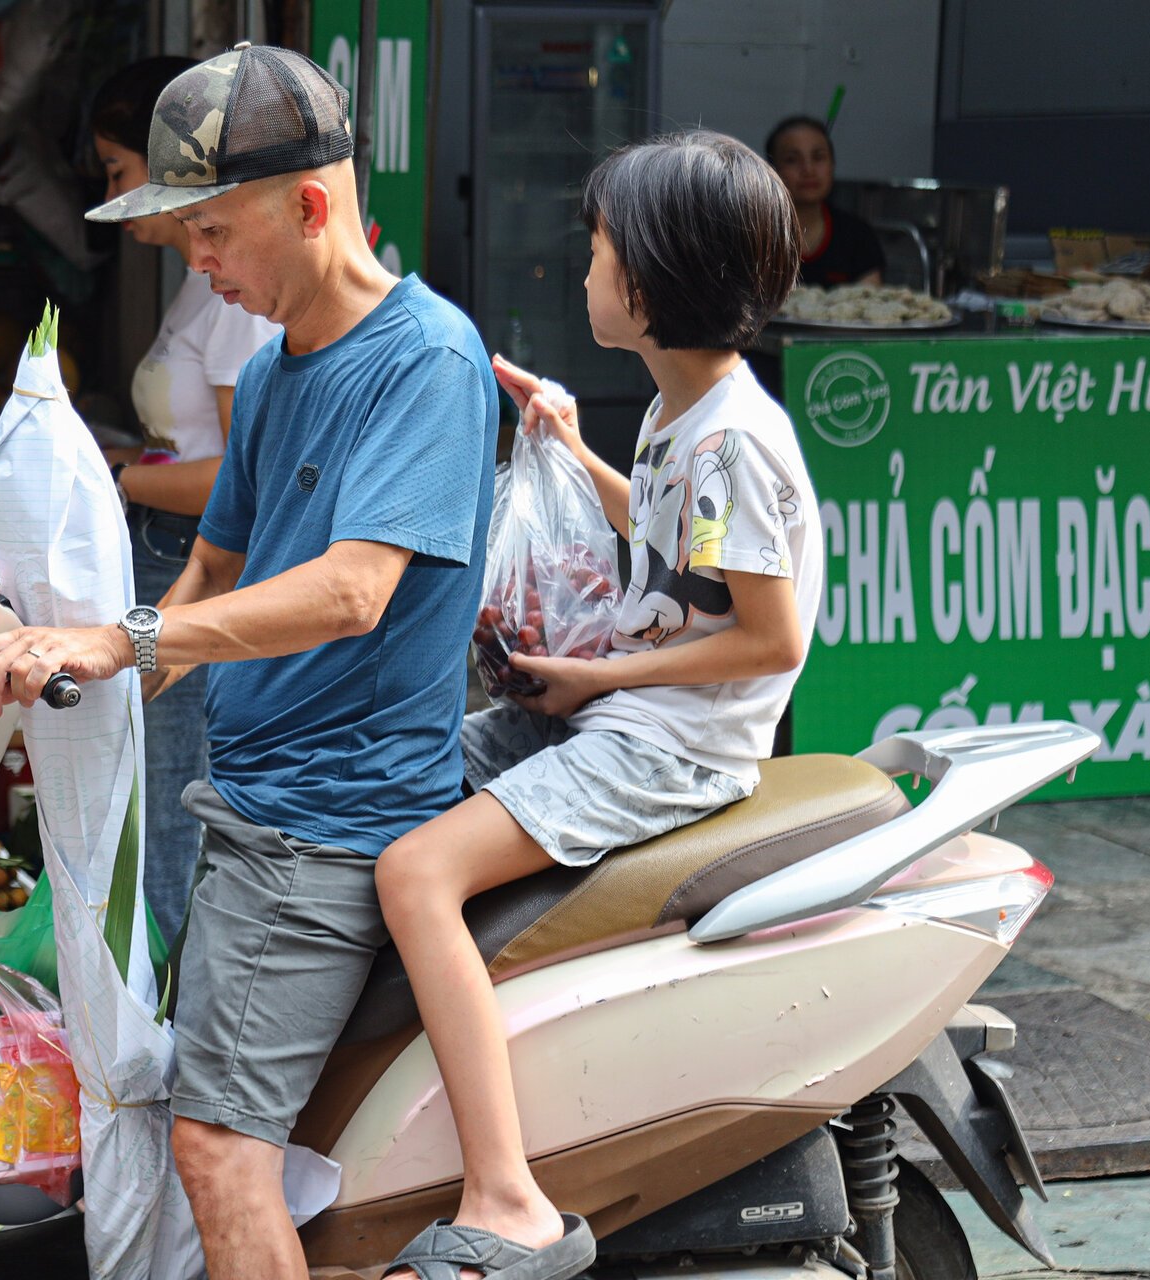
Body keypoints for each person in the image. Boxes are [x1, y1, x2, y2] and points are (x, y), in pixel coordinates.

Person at [0, 44, 500, 1280]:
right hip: (247, 801)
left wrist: (128, 636)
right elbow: (211, 572)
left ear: (310, 207)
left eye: (210, 232)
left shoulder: (426, 360)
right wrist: (69, 668)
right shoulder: (269, 376)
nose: (195, 263)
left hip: (327, 821)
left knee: (211, 1145)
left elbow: (356, 589)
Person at [373, 131, 818, 1280]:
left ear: (650, 282)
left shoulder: (731, 439)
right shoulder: (684, 413)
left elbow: (770, 637)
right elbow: (685, 559)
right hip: (622, 713)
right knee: (398, 768)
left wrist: (598, 680)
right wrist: (575, 451)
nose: (583, 270)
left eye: (599, 248)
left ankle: (504, 1192)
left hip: (669, 748)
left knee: (413, 874)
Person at [88, 55, 283, 937]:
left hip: (198, 556)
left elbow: (250, 468)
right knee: (152, 786)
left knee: (173, 797)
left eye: (118, 171)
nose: (115, 195)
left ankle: (173, 1009)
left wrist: (113, 476)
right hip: (174, 549)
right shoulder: (201, 287)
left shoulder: (239, 300)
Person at [765, 115, 884, 286]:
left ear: (832, 165)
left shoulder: (857, 236)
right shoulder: (755, 234)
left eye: (818, 157)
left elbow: (870, 301)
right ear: (772, 170)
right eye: (792, 160)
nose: (808, 170)